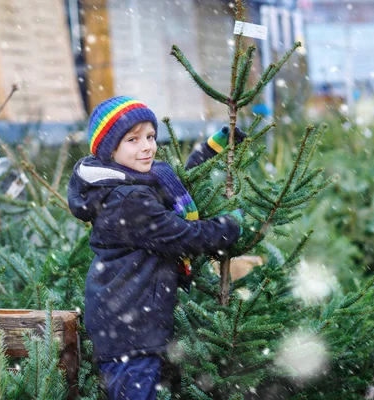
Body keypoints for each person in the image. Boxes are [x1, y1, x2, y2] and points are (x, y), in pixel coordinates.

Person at [67, 96, 244, 399]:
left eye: (150, 136)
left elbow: (174, 184)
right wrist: (231, 226)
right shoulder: (127, 200)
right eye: (133, 139)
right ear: (110, 150)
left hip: (129, 326)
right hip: (129, 333)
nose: (147, 146)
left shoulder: (128, 181)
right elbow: (183, 235)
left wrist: (211, 150)